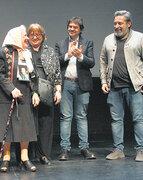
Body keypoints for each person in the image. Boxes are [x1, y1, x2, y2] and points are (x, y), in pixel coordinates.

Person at [0, 25, 40, 172]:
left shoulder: (27, 53)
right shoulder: (3, 52)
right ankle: (6, 157)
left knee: (25, 126)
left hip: (24, 92)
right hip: (6, 94)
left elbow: (34, 75)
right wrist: (12, 89)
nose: (27, 38)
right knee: (6, 128)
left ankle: (25, 158)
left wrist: (35, 92)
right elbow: (0, 75)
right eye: (25, 35)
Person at [100, 10, 143, 161]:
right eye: (115, 23)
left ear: (129, 24)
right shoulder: (108, 39)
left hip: (135, 87)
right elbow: (103, 61)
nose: (117, 26)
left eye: (120, 23)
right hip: (114, 87)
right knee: (116, 120)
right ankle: (118, 150)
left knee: (138, 119)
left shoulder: (139, 38)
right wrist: (104, 82)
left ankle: (141, 150)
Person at [55, 17, 96, 161]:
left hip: (82, 84)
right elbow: (55, 61)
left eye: (75, 27)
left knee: (81, 116)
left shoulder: (87, 43)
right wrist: (68, 55)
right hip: (65, 84)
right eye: (70, 26)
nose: (71, 29)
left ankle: (84, 148)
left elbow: (91, 63)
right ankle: (65, 148)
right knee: (66, 117)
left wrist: (80, 56)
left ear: (80, 29)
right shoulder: (60, 43)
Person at [27, 23, 62, 165]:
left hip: (47, 91)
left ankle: (44, 155)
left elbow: (57, 72)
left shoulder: (50, 51)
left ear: (43, 36)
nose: (35, 37)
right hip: (28, 90)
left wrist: (58, 90)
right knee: (28, 124)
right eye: (32, 34)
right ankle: (27, 156)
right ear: (28, 37)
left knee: (46, 123)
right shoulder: (23, 51)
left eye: (38, 34)